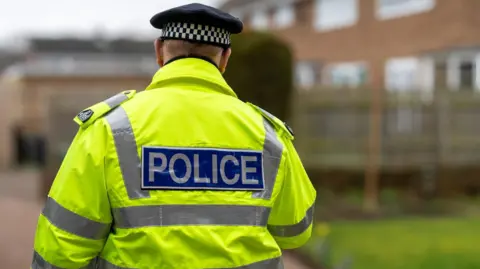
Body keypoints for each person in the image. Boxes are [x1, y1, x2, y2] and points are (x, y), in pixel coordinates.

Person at [31, 3, 316, 269]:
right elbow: (295, 231)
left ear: (159, 51)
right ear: (226, 58)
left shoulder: (110, 128)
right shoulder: (268, 134)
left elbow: (61, 248)